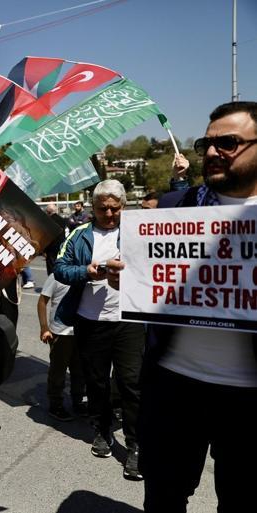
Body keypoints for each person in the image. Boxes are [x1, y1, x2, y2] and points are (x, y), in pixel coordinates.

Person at [135, 102, 257, 512]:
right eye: (206, 143)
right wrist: (129, 272)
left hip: (248, 400)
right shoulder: (171, 208)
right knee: (164, 497)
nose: (210, 152)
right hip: (172, 388)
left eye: (228, 143)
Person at [54, 179, 145, 480]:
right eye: (102, 208)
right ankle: (103, 431)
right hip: (90, 322)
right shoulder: (79, 235)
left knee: (131, 383)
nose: (108, 214)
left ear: (124, 206)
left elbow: (158, 263)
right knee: (97, 382)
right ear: (92, 208)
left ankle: (136, 445)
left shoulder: (137, 232)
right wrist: (86, 271)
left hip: (129, 321)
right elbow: (60, 268)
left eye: (114, 208)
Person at [37, 273, 86, 421]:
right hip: (60, 332)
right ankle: (56, 404)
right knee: (58, 370)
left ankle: (77, 402)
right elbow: (42, 301)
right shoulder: (57, 276)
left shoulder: (87, 274)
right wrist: (44, 327)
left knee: (80, 370)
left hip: (81, 331)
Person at [43, 204, 68, 275]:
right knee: (60, 266)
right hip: (61, 246)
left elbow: (46, 236)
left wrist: (44, 250)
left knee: (51, 269)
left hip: (51, 248)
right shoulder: (62, 220)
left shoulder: (47, 221)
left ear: (48, 212)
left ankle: (53, 284)